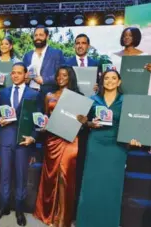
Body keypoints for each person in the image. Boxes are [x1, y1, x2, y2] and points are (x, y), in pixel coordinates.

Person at [76, 69, 145, 227]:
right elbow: (81, 120)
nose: (110, 81)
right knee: (91, 185)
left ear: (119, 82)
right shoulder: (92, 99)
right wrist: (89, 123)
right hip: (96, 144)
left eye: (114, 78)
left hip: (117, 147)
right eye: (106, 78)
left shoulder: (126, 101)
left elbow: (134, 124)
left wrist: (134, 138)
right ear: (102, 81)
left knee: (111, 187)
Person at [0, 62, 41, 226]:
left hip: (23, 142)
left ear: (26, 75)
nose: (16, 75)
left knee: (21, 177)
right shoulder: (2, 93)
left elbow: (38, 119)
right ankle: (3, 206)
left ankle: (19, 210)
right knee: (4, 176)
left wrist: (33, 138)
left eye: (19, 72)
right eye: (13, 73)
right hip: (5, 140)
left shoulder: (34, 94)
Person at [34, 66, 86, 227]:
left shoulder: (78, 98)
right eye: (58, 75)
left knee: (65, 178)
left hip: (70, 141)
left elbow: (82, 124)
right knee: (50, 177)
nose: (61, 78)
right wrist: (43, 126)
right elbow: (46, 117)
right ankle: (49, 215)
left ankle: (63, 219)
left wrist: (83, 121)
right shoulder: (49, 95)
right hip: (51, 140)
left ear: (70, 77)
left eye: (65, 75)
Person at [65, 33, 99, 215]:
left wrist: (98, 87)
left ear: (88, 45)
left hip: (88, 114)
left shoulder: (95, 64)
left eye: (83, 43)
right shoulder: (67, 62)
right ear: (74, 46)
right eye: (77, 43)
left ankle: (80, 204)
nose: (80, 46)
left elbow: (102, 87)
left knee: (83, 160)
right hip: (70, 112)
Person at [23, 25, 64, 97]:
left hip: (49, 95)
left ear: (47, 36)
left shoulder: (56, 53)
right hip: (29, 94)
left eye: (41, 35)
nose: (38, 37)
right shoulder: (27, 55)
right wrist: (26, 78)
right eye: (36, 35)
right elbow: (23, 73)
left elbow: (61, 74)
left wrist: (43, 80)